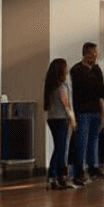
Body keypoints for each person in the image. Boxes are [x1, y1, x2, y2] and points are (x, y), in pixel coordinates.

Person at [69, 42, 104, 185]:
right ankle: (78, 170)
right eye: (92, 54)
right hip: (82, 110)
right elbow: (77, 91)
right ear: (85, 54)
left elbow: (101, 88)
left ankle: (93, 167)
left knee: (94, 140)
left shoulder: (97, 70)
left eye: (96, 54)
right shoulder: (76, 70)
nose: (95, 56)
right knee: (81, 141)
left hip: (96, 110)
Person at [42, 58, 77, 190]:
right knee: (61, 149)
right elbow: (66, 104)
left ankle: (55, 177)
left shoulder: (50, 86)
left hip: (52, 118)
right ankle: (57, 176)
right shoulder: (62, 87)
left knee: (58, 148)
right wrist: (72, 119)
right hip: (61, 119)